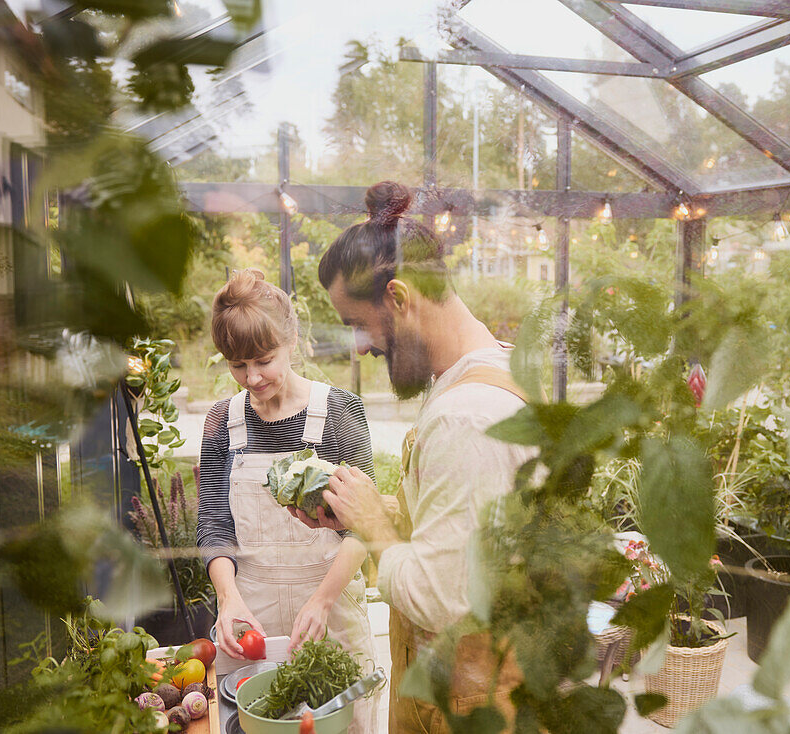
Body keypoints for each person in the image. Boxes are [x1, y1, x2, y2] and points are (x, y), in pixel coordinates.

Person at [296, 181, 538, 733]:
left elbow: (440, 598)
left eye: (359, 324)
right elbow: (460, 530)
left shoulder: (469, 415)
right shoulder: (481, 373)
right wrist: (359, 510)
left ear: (400, 298)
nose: (361, 346)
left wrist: (375, 527)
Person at [195, 268, 376, 733]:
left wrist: (321, 600)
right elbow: (215, 526)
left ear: (291, 338)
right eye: (237, 365)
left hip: (331, 614)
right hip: (251, 618)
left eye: (263, 359)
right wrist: (228, 598)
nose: (252, 378)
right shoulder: (222, 423)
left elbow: (364, 525)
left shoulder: (341, 412)